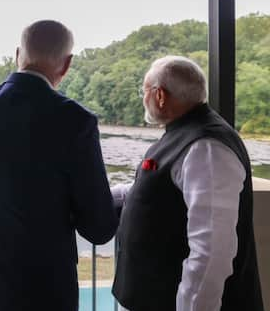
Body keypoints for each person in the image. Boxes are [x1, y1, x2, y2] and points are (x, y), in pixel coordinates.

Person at [0, 20, 118, 311]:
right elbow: (98, 227)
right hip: (43, 286)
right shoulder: (75, 121)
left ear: (18, 55)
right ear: (66, 65)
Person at [112, 56, 264, 311]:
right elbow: (163, 192)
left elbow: (211, 253)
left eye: (145, 91)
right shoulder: (186, 135)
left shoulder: (207, 147)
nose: (144, 97)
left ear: (160, 95)